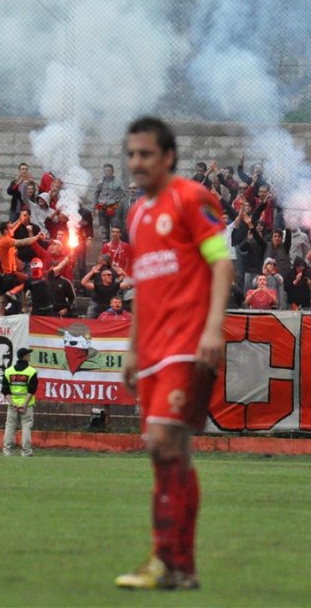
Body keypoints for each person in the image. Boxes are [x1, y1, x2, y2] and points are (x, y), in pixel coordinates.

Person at [115, 117, 233, 591]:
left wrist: (213, 328)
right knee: (169, 453)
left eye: (145, 154)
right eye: (131, 154)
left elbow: (221, 263)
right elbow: (143, 288)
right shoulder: (137, 216)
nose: (136, 163)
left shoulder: (192, 198)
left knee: (163, 442)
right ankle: (182, 568)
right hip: (154, 348)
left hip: (188, 343)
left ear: (167, 157)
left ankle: (165, 558)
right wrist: (131, 348)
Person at [1, 347, 39, 457]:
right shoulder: (31, 372)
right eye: (28, 354)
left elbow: (5, 390)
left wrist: (12, 403)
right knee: (26, 427)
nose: (30, 356)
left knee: (10, 427)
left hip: (12, 405)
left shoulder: (8, 371)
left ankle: (7, 451)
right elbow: (32, 390)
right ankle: (26, 452)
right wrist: (24, 404)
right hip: (27, 405)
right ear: (25, 356)